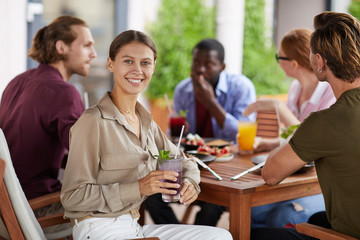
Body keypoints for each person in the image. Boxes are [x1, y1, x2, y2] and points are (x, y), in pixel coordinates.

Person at [60, 30, 232, 240]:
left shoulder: (146, 122)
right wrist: (138, 188)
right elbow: (72, 198)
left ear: (153, 67)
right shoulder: (92, 122)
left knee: (220, 236)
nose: (137, 70)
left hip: (133, 226)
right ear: (110, 64)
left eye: (145, 63)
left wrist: (190, 184)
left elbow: (185, 162)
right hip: (98, 229)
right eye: (128, 61)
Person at [251, 11, 360, 239]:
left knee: (252, 233)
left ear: (319, 62)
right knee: (316, 219)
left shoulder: (326, 120)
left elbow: (270, 174)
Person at [145, 38, 256, 226]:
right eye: (196, 62)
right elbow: (177, 136)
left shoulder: (241, 87)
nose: (200, 69)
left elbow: (242, 130)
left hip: (229, 165)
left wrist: (210, 102)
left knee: (212, 205)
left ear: (222, 66)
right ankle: (178, 236)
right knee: (151, 195)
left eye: (208, 64)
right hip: (193, 162)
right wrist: (179, 131)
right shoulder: (183, 89)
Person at [0, 15, 96, 230]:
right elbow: (88, 154)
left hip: (6, 207)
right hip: (34, 207)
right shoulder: (64, 92)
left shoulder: (17, 81)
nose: (94, 54)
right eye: (87, 45)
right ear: (62, 47)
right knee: (120, 201)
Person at [243, 28, 335, 228]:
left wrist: (279, 108)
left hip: (320, 186)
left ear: (293, 64)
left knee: (283, 217)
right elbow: (294, 140)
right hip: (293, 175)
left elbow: (314, 142)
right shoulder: (295, 89)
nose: (277, 61)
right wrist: (269, 143)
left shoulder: (330, 93)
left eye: (279, 57)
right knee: (249, 209)